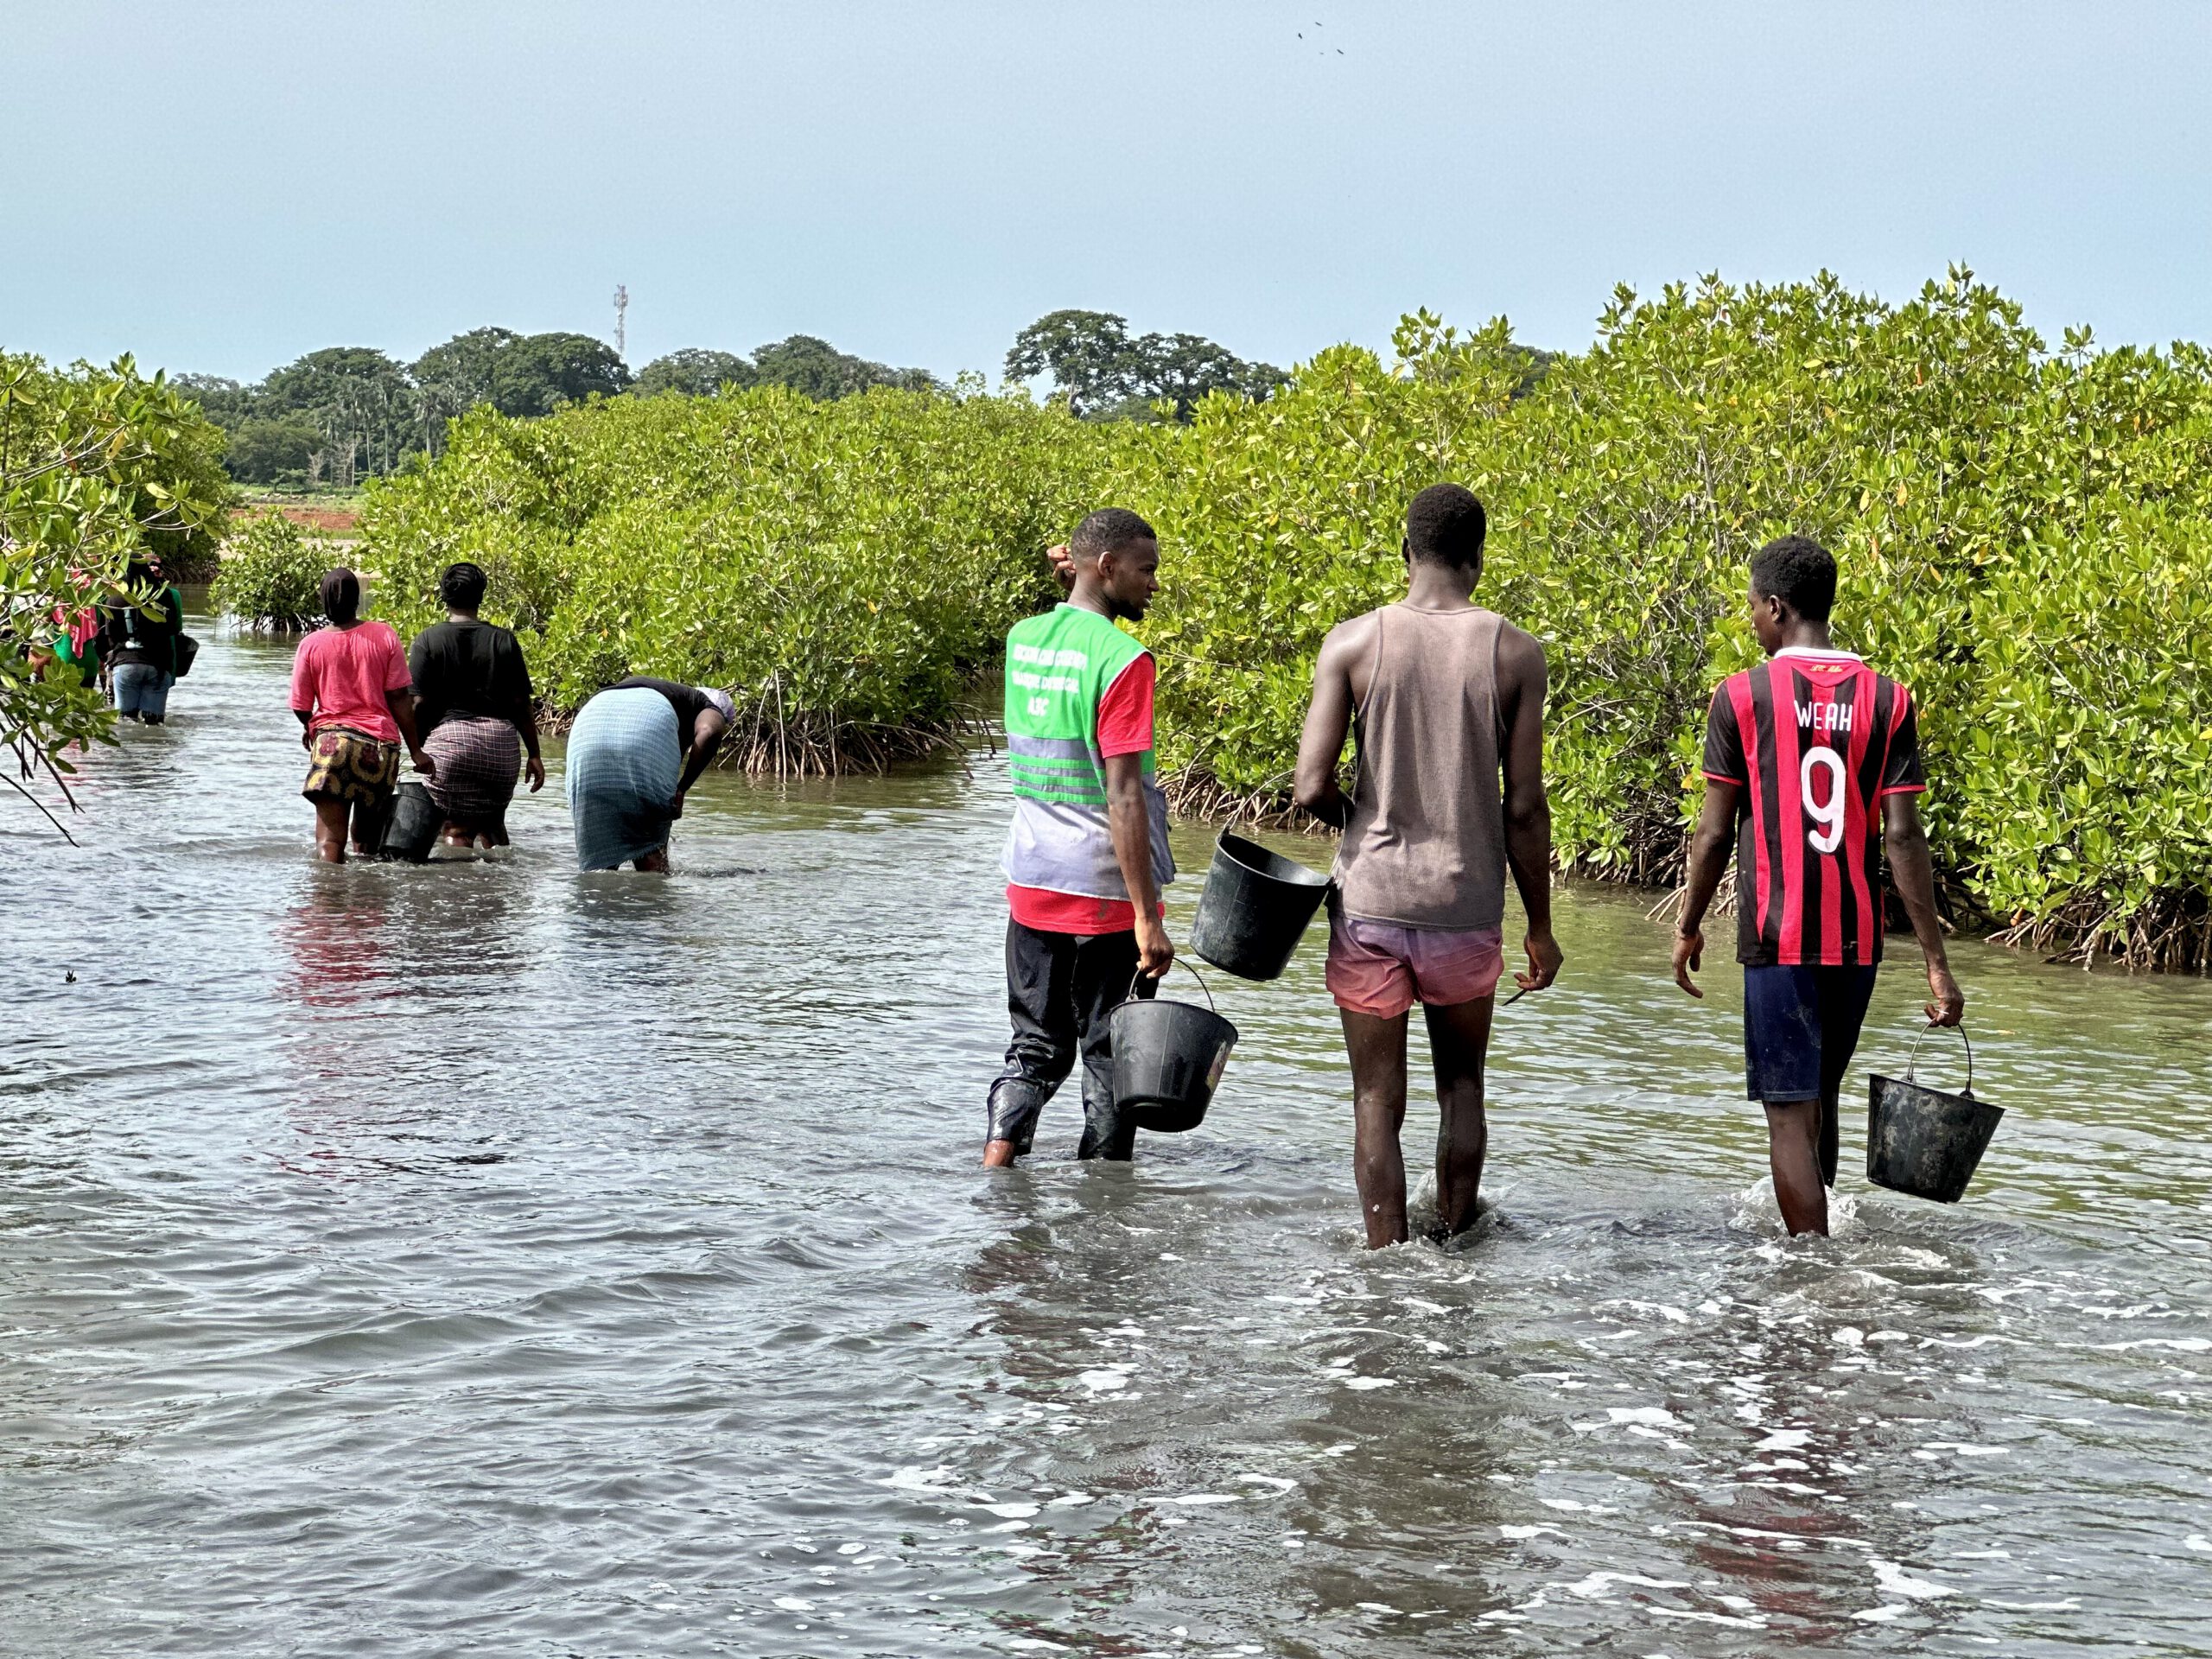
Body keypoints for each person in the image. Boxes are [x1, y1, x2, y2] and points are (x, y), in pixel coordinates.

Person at [1672, 534, 1965, 1237]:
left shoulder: (1741, 696)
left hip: (1778, 934)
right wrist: (1935, 962)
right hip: (1857, 941)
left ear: (1775, 608)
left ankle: (1812, 1276)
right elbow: (1902, 837)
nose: (1751, 620)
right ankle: (1825, 1256)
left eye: (1751, 608)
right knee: (1820, 1098)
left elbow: (1713, 834)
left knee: (1788, 1115)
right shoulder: (1891, 700)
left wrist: (1688, 925)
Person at [1294, 484, 1561, 1249]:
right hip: (1465, 910)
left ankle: (1384, 1259)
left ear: (1405, 552)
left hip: (1371, 907)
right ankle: (1450, 1241)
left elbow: (1309, 785)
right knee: (1463, 1089)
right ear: (1479, 559)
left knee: (1376, 1102)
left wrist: (1366, 829)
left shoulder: (1351, 642)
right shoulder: (1515, 650)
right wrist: (1540, 927)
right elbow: (1524, 808)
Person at [984, 507, 1174, 1169]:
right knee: (1108, 1053)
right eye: (1146, 569)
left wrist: (1077, 579)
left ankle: (996, 1171)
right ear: (1108, 566)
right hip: (1102, 890)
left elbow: (1071, 620)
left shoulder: (1023, 639)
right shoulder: (1126, 661)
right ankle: (1104, 1221)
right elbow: (1123, 796)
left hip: (1031, 879)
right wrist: (1148, 918)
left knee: (1034, 1048)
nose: (1155, 583)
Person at [289, 568, 435, 863]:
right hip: (377, 750)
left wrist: (311, 727)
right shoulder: (383, 635)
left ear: (324, 602)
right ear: (358, 600)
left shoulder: (310, 644)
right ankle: (367, 903)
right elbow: (399, 698)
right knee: (368, 843)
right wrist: (417, 750)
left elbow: (301, 705)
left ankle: (328, 901)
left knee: (330, 842)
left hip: (332, 746)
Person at [407, 562, 544, 849]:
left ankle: (461, 885)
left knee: (455, 827)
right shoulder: (504, 640)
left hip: (451, 747)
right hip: (501, 748)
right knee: (494, 823)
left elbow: (419, 704)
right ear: (481, 596)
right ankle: (498, 885)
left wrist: (417, 750)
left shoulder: (427, 640)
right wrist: (534, 754)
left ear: (444, 596)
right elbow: (521, 704)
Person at [565, 675, 734, 871]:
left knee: (599, 870)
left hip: (586, 731)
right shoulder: (706, 706)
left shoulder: (660, 694)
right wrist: (682, 788)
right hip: (643, 731)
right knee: (651, 857)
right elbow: (709, 731)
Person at [99, 555, 184, 723]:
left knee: (126, 721)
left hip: (125, 664)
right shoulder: (164, 595)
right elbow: (173, 629)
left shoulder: (114, 598)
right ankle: (152, 750)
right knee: (154, 723)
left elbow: (108, 636)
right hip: (158, 665)